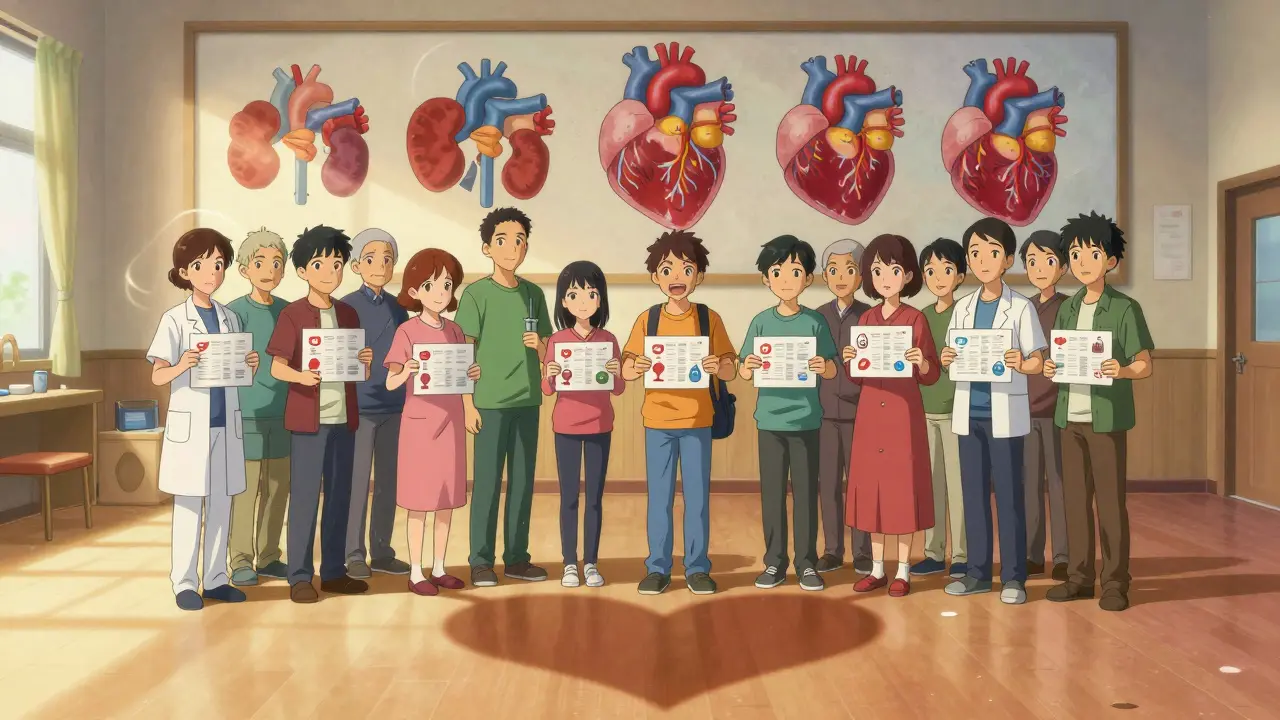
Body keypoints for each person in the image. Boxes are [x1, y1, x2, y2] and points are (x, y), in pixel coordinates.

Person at [1044, 212, 1154, 612]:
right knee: (1074, 502)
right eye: (1075, 254)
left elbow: (1145, 364)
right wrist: (1052, 367)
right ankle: (1079, 578)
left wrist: (1121, 370)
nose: (1082, 262)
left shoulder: (1124, 308)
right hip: (1068, 417)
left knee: (1109, 504)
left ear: (1111, 260)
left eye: (1093, 254)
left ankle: (1115, 582)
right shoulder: (1068, 308)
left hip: (1105, 418)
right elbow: (1059, 357)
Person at [621, 230, 737, 596]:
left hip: (698, 421)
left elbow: (731, 369)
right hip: (657, 421)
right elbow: (626, 368)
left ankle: (697, 568)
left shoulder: (708, 318)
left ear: (699, 276)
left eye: (687, 269)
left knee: (697, 499)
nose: (677, 277)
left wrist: (718, 365)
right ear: (655, 276)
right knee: (660, 499)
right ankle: (657, 567)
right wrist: (636, 366)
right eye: (667, 269)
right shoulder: (648, 320)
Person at [147, 227, 256, 611]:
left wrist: (248, 365)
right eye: (201, 265)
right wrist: (181, 365)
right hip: (192, 427)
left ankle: (216, 579)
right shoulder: (175, 319)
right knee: (190, 505)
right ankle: (184, 583)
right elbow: (158, 375)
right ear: (184, 272)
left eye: (218, 264)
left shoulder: (230, 318)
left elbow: (236, 374)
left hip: (225, 424)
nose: (211, 273)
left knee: (222, 503)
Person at [939, 217, 1046, 606]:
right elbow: (953, 356)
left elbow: (1037, 361)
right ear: (968, 261)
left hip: (1005, 415)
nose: (983, 260)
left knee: (1009, 496)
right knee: (973, 496)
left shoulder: (1021, 308)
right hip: (969, 414)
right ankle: (978, 574)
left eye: (992, 252)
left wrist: (1022, 362)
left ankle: (1014, 578)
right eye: (975, 253)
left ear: (1008, 260)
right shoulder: (963, 307)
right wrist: (947, 358)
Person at [266, 226, 374, 604]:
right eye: (319, 265)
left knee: (340, 497)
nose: (330, 272)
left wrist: (364, 362)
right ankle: (299, 576)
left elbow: (357, 371)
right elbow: (276, 367)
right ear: (302, 271)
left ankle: (333, 572)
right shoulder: (293, 314)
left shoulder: (348, 313)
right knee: (305, 499)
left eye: (337, 264)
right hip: (309, 423)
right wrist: (301, 376)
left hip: (344, 420)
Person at [454, 207, 553, 587]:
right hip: (489, 403)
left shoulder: (533, 294)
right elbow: (464, 352)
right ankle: (481, 561)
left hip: (527, 400)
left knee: (523, 483)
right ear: (487, 248)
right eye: (503, 240)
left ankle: (517, 558)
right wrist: (467, 404)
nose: (512, 248)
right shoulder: (476, 295)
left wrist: (539, 345)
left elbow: (549, 350)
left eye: (520, 241)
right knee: (487, 483)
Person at [841, 234, 939, 597]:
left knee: (902, 491)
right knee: (873, 493)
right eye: (878, 271)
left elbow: (931, 374)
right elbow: (857, 376)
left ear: (908, 275)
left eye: (894, 270)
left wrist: (921, 361)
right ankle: (877, 568)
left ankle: (903, 570)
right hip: (870, 414)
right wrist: (851, 360)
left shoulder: (916, 319)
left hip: (902, 414)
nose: (886, 278)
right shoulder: (866, 318)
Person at [739, 236, 838, 592]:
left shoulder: (815, 322)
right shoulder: (760, 322)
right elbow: (744, 369)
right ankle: (775, 562)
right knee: (773, 495)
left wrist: (823, 365)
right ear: (766, 278)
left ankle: (807, 563)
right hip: (769, 421)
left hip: (807, 420)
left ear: (807, 279)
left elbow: (832, 368)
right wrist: (749, 366)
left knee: (807, 495)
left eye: (795, 272)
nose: (785, 280)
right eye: (777, 272)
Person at [383, 249, 481, 595]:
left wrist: (471, 375)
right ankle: (415, 572)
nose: (440, 292)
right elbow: (390, 382)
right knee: (419, 501)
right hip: (420, 426)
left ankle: (439, 567)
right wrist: (406, 371)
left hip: (450, 423)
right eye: (430, 285)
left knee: (445, 500)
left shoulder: (455, 331)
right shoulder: (407, 331)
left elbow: (461, 375)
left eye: (446, 285)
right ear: (415, 291)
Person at [542, 261, 625, 588]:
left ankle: (590, 562)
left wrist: (617, 372)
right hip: (565, 426)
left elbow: (618, 389)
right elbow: (548, 389)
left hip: (600, 426)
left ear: (600, 299)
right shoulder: (557, 340)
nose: (583, 301)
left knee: (593, 498)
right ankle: (569, 563)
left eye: (592, 294)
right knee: (569, 498)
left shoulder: (608, 339)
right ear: (564, 301)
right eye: (574, 294)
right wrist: (549, 374)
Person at [341, 228, 412, 579]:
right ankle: (353, 553)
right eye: (371, 259)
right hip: (359, 407)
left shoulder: (399, 308)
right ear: (356, 266)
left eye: (387, 259)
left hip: (394, 406)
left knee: (388, 482)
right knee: (356, 483)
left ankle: (382, 551)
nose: (380, 266)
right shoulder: (345, 307)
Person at [225, 228, 291, 588]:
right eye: (260, 262)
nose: (269, 270)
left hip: (284, 411)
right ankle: (240, 560)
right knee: (245, 490)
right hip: (247, 413)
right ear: (244, 269)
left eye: (277, 263)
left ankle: (269, 556)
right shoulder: (234, 313)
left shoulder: (288, 311)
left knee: (278, 488)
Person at [815, 239, 874, 576]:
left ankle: (863, 551)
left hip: (860, 414)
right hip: (823, 414)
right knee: (828, 485)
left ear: (861, 275)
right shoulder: (816, 317)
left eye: (849, 270)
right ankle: (833, 550)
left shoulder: (870, 316)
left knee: (859, 486)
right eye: (833, 270)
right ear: (824, 276)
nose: (841, 277)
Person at [911, 238, 969, 579]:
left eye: (946, 270)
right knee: (930, 486)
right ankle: (933, 552)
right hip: (924, 409)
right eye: (930, 271)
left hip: (957, 410)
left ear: (960, 276)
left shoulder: (966, 313)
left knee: (958, 486)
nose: (938, 277)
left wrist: (954, 360)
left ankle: (961, 555)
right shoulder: (921, 317)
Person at [1020, 229, 1071, 581]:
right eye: (1032, 261)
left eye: (1048, 261)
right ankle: (1032, 554)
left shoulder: (1069, 307)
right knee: (1029, 486)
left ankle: (1064, 555)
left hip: (1057, 409)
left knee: (1059, 485)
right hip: (1024, 408)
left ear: (1063, 267)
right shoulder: (1022, 308)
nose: (1039, 269)